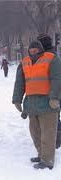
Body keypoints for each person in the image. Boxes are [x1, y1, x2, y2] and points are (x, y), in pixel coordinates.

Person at [12, 40, 61, 170]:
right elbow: (19, 82)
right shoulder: (25, 62)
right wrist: (17, 99)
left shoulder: (52, 59)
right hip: (32, 104)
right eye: (31, 51)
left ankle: (47, 160)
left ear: (41, 50)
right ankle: (41, 155)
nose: (33, 53)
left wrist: (55, 97)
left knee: (48, 133)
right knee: (35, 133)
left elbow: (57, 78)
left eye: (36, 51)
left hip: (48, 103)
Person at [37, 34, 61, 149]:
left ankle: (56, 140)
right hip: (53, 90)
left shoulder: (49, 55)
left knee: (54, 116)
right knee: (54, 115)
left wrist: (54, 95)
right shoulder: (52, 53)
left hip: (52, 91)